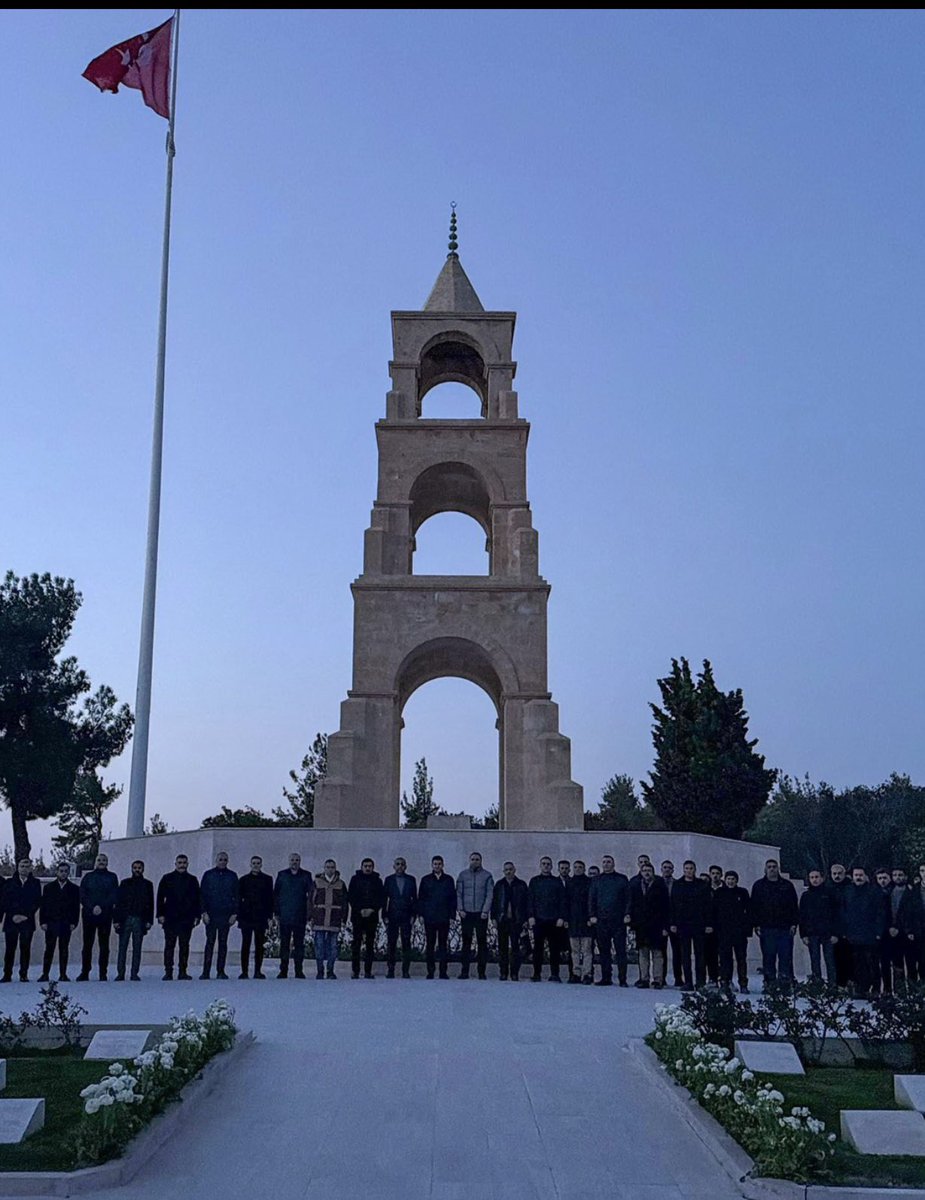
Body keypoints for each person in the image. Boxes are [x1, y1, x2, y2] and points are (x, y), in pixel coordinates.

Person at [750, 859, 799, 990]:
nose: (772, 869)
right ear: (765, 869)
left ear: (778, 868)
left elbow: (794, 906)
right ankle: (770, 984)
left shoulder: (787, 885)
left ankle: (785, 983)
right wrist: (756, 924)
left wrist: (794, 924)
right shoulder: (758, 886)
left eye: (774, 867)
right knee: (768, 957)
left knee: (786, 957)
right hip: (766, 928)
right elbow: (754, 907)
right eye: (769, 867)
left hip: (785, 928)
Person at [843, 867, 889, 998]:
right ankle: (861, 988)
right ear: (852, 876)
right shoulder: (848, 891)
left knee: (873, 963)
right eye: (856, 875)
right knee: (858, 964)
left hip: (870, 934)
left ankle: (875, 988)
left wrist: (878, 931)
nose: (858, 877)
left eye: (860, 875)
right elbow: (844, 911)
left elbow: (881, 913)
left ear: (865, 876)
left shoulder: (874, 891)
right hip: (854, 935)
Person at [588, 854, 630, 987]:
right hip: (601, 921)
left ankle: (622, 979)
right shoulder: (596, 880)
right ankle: (606, 977)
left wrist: (627, 914)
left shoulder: (622, 879)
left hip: (618, 921)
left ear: (613, 864)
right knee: (604, 951)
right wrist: (592, 915)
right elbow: (591, 899)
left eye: (609, 862)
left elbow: (628, 899)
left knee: (621, 951)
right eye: (604, 862)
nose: (606, 864)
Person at [157, 855, 201, 980]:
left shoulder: (193, 880)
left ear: (188, 864)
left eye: (184, 862)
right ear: (175, 863)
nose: (182, 865)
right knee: (169, 945)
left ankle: (183, 971)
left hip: (187, 918)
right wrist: (160, 914)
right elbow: (160, 897)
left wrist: (197, 916)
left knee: (184, 946)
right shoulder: (167, 878)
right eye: (180, 862)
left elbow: (197, 899)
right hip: (170, 917)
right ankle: (168, 971)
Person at [77, 852, 119, 981]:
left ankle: (103, 973)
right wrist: (92, 907)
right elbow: (82, 894)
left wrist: (101, 906)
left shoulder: (112, 877)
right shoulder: (88, 877)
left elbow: (114, 895)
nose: (101, 862)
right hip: (89, 915)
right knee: (87, 945)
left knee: (104, 945)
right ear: (95, 862)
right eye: (99, 860)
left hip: (105, 915)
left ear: (107, 863)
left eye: (104, 860)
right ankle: (85, 972)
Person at [669, 860, 710, 990]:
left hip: (699, 924)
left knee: (700, 955)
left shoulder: (702, 885)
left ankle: (700, 982)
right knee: (685, 955)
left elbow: (708, 906)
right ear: (683, 870)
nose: (689, 870)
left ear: (695, 869)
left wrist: (708, 923)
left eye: (691, 868)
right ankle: (688, 982)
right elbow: (672, 905)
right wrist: (673, 923)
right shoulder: (677, 885)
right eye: (686, 868)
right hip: (683, 924)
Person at [627, 862, 669, 988]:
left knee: (657, 954)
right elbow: (632, 904)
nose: (646, 872)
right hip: (641, 925)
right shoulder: (635, 885)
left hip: (657, 925)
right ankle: (643, 978)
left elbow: (666, 907)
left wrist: (665, 926)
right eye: (644, 870)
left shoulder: (660, 885)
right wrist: (632, 922)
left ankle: (657, 980)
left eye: (649, 870)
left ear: (653, 872)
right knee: (643, 953)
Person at [199, 850, 239, 981]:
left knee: (223, 943)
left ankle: (221, 971)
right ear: (216, 861)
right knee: (209, 943)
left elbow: (237, 896)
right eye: (220, 859)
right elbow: (202, 895)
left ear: (227, 861)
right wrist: (203, 913)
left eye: (225, 860)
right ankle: (206, 972)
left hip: (225, 916)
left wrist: (234, 914)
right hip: (211, 915)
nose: (222, 862)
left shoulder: (232, 876)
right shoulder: (208, 875)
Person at [273, 853, 314, 979]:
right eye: (292, 860)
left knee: (299, 945)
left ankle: (299, 971)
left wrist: (309, 914)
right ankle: (283, 970)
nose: (294, 862)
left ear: (300, 861)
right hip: (284, 916)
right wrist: (276, 913)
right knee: (284, 945)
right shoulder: (282, 875)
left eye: (297, 860)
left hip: (300, 916)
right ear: (289, 861)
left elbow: (311, 896)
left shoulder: (306, 875)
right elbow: (276, 895)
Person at [38, 862, 80, 982]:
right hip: (51, 923)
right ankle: (45, 974)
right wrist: (43, 922)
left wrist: (74, 922)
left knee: (64, 949)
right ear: (57, 872)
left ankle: (63, 974)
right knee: (49, 949)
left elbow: (75, 908)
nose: (63, 873)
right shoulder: (48, 888)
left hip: (66, 923)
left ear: (68, 873)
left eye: (65, 871)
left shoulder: (74, 889)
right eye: (61, 871)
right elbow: (43, 906)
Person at [113, 859, 154, 982]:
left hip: (139, 920)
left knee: (137, 948)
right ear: (132, 869)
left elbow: (151, 904)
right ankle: (120, 973)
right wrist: (116, 920)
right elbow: (118, 903)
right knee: (122, 947)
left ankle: (134, 973)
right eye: (135, 867)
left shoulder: (148, 884)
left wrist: (149, 921)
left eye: (139, 867)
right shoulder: (125, 883)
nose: (137, 869)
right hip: (125, 919)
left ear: (143, 869)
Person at [528, 856, 567, 982]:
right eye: (543, 864)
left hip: (554, 921)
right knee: (537, 949)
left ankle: (555, 974)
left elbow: (562, 900)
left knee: (554, 949)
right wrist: (531, 916)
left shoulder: (557, 882)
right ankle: (536, 974)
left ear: (551, 867)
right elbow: (530, 900)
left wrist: (561, 917)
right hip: (538, 920)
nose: (546, 866)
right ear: (540, 866)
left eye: (548, 864)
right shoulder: (534, 881)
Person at [456, 852, 494, 980]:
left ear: (481, 861)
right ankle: (464, 971)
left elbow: (489, 895)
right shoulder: (462, 875)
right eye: (472, 859)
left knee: (482, 943)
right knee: (466, 943)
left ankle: (481, 972)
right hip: (466, 914)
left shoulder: (487, 876)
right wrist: (460, 909)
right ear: (469, 860)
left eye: (477, 859)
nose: (475, 861)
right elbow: (459, 893)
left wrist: (485, 911)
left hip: (480, 914)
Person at [418, 855, 456, 979]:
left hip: (444, 917)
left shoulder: (449, 880)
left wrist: (452, 916)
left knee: (443, 945)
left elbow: (452, 899)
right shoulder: (426, 880)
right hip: (429, 917)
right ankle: (430, 971)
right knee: (430, 945)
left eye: (439, 864)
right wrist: (421, 914)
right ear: (432, 865)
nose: (437, 866)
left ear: (443, 865)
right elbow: (421, 899)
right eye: (435, 864)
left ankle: (443, 972)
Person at [2, 859, 40, 982]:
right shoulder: (9, 883)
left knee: (25, 948)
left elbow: (36, 901)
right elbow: (4, 901)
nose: (24, 868)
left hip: (27, 921)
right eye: (22, 866)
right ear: (17, 867)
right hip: (11, 921)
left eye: (27, 866)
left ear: (30, 868)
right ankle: (7, 974)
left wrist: (25, 916)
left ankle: (23, 974)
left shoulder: (35, 883)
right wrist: (14, 915)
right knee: (10, 949)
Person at [714, 870, 752, 993]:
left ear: (736, 880)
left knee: (741, 959)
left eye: (733, 879)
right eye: (728, 879)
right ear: (725, 880)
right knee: (725, 959)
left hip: (739, 933)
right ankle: (725, 982)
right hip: (724, 932)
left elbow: (749, 911)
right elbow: (714, 911)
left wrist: (747, 930)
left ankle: (743, 983)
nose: (730, 881)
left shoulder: (743, 893)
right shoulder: (719, 893)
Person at [798, 869, 837, 984]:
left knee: (830, 960)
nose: (814, 880)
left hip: (828, 933)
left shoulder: (830, 894)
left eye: (816, 877)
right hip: (812, 933)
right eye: (812, 877)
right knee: (815, 960)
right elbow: (802, 916)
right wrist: (803, 934)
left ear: (822, 878)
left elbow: (836, 914)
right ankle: (817, 984)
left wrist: (835, 933)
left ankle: (832, 984)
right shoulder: (806, 896)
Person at [491, 861, 529, 980]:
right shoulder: (499, 884)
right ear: (503, 871)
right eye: (506, 869)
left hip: (516, 921)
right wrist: (493, 918)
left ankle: (514, 973)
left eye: (510, 869)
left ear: (514, 870)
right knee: (502, 948)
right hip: (502, 920)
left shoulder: (521, 884)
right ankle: (503, 972)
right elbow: (495, 903)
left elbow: (526, 904)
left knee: (515, 948)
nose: (508, 871)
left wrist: (525, 919)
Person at [237, 855, 273, 979]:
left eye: (258, 863)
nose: (256, 865)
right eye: (254, 863)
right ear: (250, 864)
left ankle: (258, 971)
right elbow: (238, 899)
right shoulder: (243, 880)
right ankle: (244, 971)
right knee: (245, 945)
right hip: (246, 917)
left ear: (261, 865)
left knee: (259, 945)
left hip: (261, 917)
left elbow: (270, 899)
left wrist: (270, 916)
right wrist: (239, 916)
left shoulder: (268, 880)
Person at [312, 858, 348, 979]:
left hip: (334, 918)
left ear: (335, 868)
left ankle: (331, 970)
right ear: (324, 868)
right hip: (319, 918)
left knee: (333, 946)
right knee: (319, 945)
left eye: (332, 867)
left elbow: (344, 902)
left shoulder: (341, 884)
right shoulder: (317, 882)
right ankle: (320, 970)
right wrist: (310, 916)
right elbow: (310, 900)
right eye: (327, 867)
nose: (330, 869)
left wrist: (344, 917)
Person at [348, 858, 384, 979]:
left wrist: (372, 909)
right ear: (361, 867)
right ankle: (355, 971)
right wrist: (360, 909)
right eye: (365, 866)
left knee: (370, 944)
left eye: (370, 866)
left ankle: (368, 971)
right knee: (356, 944)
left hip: (372, 916)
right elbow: (351, 896)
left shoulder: (378, 881)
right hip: (357, 916)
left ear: (373, 867)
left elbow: (381, 898)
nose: (367, 868)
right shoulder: (355, 879)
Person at [383, 857, 417, 979]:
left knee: (406, 944)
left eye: (402, 864)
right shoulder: (389, 880)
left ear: (405, 866)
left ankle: (405, 970)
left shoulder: (411, 880)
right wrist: (384, 916)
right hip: (392, 916)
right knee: (391, 944)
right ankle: (391, 969)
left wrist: (414, 915)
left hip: (406, 916)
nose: (400, 866)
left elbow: (415, 899)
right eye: (397, 864)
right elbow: (384, 899)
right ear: (394, 866)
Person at [566, 860, 594, 984]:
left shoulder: (590, 882)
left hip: (586, 921)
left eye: (580, 867)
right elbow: (565, 902)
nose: (577, 869)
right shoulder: (569, 883)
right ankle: (576, 973)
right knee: (575, 950)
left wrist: (590, 917)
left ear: (584, 868)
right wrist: (566, 919)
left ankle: (587, 974)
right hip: (573, 921)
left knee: (587, 950)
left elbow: (592, 901)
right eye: (575, 867)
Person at [890, 867, 918, 985]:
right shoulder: (889, 892)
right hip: (893, 932)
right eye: (895, 875)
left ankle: (913, 988)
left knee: (911, 961)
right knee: (897, 962)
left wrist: (909, 930)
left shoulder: (912, 892)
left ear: (905, 876)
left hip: (908, 932)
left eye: (900, 875)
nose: (897, 877)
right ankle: (899, 988)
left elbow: (914, 913)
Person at [828, 863, 852, 987]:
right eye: (834, 874)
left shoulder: (850, 888)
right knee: (837, 960)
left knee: (851, 960)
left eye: (839, 873)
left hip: (851, 931)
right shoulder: (828, 889)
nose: (837, 876)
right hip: (835, 932)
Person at [661, 860, 682, 987]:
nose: (667, 870)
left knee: (677, 952)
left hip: (675, 921)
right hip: (661, 922)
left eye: (669, 868)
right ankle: (661, 978)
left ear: (673, 870)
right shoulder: (657, 883)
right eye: (665, 867)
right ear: (661, 869)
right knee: (661, 952)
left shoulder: (678, 884)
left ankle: (678, 977)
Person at [704, 865, 724, 984]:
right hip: (709, 928)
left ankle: (724, 978)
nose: (715, 875)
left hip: (724, 928)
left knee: (724, 955)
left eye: (717, 873)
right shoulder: (705, 890)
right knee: (710, 954)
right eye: (713, 873)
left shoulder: (726, 889)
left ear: (721, 875)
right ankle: (712, 978)